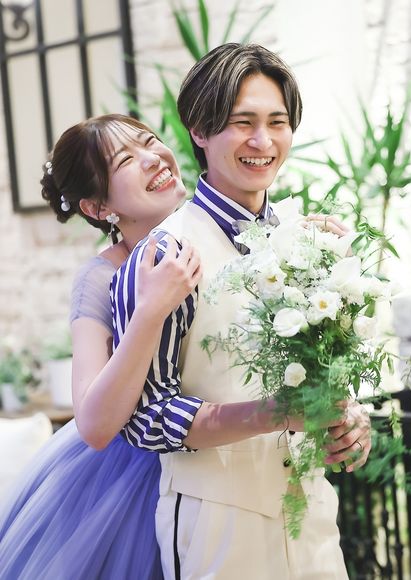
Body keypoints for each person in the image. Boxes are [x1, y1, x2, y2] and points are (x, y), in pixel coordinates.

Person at [112, 43, 372, 580]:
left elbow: (324, 377)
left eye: (277, 122)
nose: (263, 141)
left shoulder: (309, 240)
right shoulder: (164, 255)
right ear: (200, 130)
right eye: (242, 123)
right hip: (217, 529)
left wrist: (348, 422)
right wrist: (273, 413)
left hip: (313, 521)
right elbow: (145, 418)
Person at [0, 113, 202, 580]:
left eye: (150, 141)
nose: (154, 158)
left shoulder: (218, 235)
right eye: (126, 160)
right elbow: (92, 424)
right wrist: (150, 311)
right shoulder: (101, 277)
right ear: (96, 207)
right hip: (134, 481)